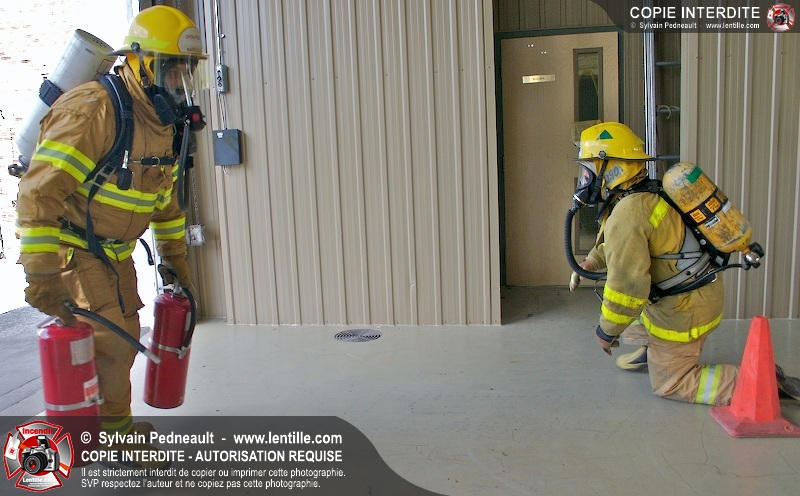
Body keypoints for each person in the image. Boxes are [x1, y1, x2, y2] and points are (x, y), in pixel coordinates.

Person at [15, 5, 206, 466]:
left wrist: (176, 262)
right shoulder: (93, 111)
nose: (180, 81)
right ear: (139, 62)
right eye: (171, 68)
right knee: (111, 344)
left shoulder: (162, 125)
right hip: (75, 248)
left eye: (186, 70)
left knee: (122, 340)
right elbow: (39, 194)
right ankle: (103, 444)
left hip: (116, 254)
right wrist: (42, 274)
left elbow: (164, 203)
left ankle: (114, 431)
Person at [568, 121, 800, 405]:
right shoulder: (643, 196)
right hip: (698, 294)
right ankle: (655, 350)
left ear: (612, 168)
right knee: (628, 316)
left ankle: (760, 381)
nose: (585, 179)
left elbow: (626, 287)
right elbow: (624, 246)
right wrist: (592, 261)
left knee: (670, 383)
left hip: (684, 310)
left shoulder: (627, 213)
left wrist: (606, 331)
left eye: (589, 169)